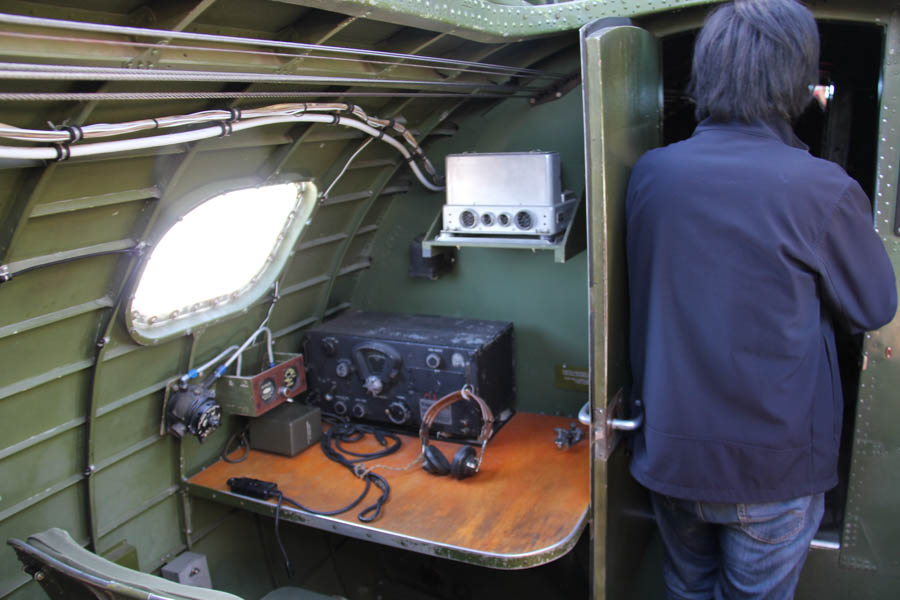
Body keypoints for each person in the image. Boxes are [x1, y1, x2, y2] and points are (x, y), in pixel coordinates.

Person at [625, 1, 898, 598]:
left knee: (686, 586)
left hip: (670, 454)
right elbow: (874, 309)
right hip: (772, 469)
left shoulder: (651, 174)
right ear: (795, 76)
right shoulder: (822, 188)